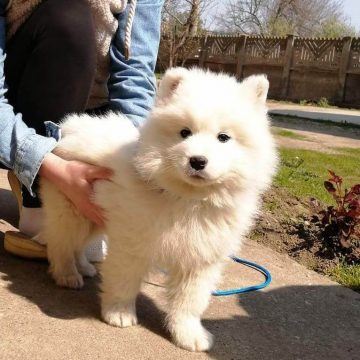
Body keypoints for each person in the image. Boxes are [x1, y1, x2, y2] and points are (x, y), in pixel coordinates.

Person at [0, 0, 164, 259]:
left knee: (96, 242)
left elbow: (135, 75)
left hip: (89, 111)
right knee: (68, 14)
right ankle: (37, 195)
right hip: (17, 105)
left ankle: (80, 191)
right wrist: (50, 165)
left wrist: (126, 165)